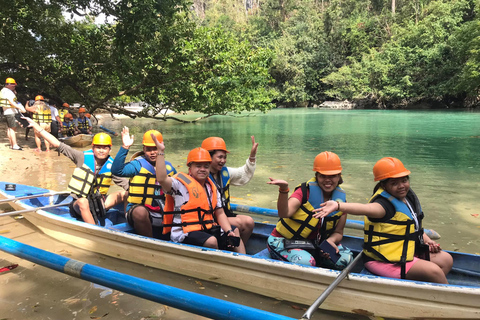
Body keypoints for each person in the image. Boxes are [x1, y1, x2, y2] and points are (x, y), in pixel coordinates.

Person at [316, 157, 453, 284]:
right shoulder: (383, 206)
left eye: (404, 181)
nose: (401, 186)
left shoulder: (407, 199)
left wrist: (428, 241)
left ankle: (423, 292)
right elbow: (363, 208)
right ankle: (448, 300)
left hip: (404, 252)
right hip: (384, 260)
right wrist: (338, 205)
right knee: (433, 271)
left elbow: (411, 228)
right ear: (384, 185)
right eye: (394, 183)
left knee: (446, 260)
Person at [23, 116, 128, 225]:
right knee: (83, 202)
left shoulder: (112, 166)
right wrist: (38, 128)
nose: (101, 151)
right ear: (93, 148)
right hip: (79, 204)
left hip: (99, 203)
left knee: (127, 193)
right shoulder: (81, 157)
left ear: (109, 149)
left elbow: (126, 184)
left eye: (105, 148)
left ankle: (128, 223)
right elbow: (58, 144)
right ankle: (95, 230)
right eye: (98, 147)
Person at [153, 137, 246, 254]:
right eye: (198, 166)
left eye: (206, 166)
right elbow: (162, 179)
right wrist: (160, 152)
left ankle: (244, 262)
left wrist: (228, 231)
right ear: (190, 169)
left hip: (206, 228)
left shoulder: (211, 187)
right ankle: (217, 267)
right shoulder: (179, 185)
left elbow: (220, 212)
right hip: (184, 232)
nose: (203, 169)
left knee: (235, 232)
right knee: (211, 241)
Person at [266, 151, 353, 269]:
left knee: (345, 259)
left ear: (339, 176)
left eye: (332, 176)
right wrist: (283, 190)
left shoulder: (341, 202)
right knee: (307, 262)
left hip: (315, 245)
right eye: (323, 176)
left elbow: (338, 232)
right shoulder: (304, 192)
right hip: (284, 241)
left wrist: (330, 242)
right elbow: (283, 213)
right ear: (317, 176)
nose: (328, 180)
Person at [111, 127, 177, 238]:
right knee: (140, 212)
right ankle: (150, 244)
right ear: (144, 149)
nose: (152, 152)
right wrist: (125, 147)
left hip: (162, 209)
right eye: (148, 149)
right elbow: (117, 170)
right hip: (138, 209)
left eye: (155, 149)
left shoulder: (169, 167)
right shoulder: (137, 165)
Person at [201, 136, 256, 244]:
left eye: (225, 157)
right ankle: (235, 250)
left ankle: (235, 247)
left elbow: (243, 174)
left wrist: (252, 157)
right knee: (238, 224)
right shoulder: (200, 176)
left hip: (225, 214)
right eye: (220, 157)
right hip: (210, 217)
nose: (223, 161)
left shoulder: (225, 172)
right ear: (208, 156)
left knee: (249, 222)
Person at [0, 78, 24, 150]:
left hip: (6, 111)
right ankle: (15, 145)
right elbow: (11, 102)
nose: (14, 86)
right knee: (13, 129)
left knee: (10, 128)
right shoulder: (8, 92)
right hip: (11, 112)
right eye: (13, 85)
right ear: (9, 85)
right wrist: (20, 108)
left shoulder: (3, 91)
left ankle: (12, 144)